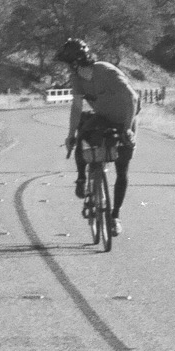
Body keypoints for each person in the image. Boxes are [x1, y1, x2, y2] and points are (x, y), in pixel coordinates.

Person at [54, 38, 137, 236]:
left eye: (68, 65)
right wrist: (70, 135)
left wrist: (127, 129)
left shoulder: (106, 71)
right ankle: (82, 178)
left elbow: (132, 98)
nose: (68, 69)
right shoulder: (77, 78)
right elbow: (76, 107)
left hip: (125, 119)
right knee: (82, 136)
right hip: (103, 117)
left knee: (122, 166)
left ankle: (114, 216)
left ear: (74, 63)